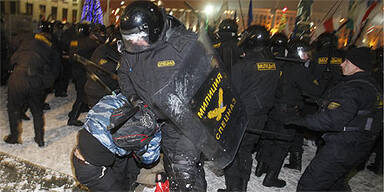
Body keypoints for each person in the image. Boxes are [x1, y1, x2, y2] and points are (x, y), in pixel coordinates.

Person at [117, 1, 210, 191]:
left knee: (185, 170)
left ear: (154, 29)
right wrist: (134, 99)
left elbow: (208, 84)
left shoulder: (184, 45)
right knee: (171, 165)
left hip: (188, 122)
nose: (134, 43)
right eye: (129, 39)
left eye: (138, 37)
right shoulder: (131, 49)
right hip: (160, 120)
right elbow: (124, 75)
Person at [288, 47, 382, 191]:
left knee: (309, 184)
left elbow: (332, 120)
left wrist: (301, 121)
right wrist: (324, 103)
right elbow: (360, 112)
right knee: (335, 182)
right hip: (361, 146)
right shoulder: (374, 87)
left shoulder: (352, 89)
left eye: (346, 61)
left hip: (342, 147)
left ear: (357, 65)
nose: (342, 64)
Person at [255, 39, 327, 187]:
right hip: (288, 111)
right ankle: (271, 177)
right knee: (282, 145)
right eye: (306, 53)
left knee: (269, 139)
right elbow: (314, 90)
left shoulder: (280, 64)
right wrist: (324, 80)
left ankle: (260, 167)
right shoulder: (299, 70)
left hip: (273, 108)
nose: (307, 57)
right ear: (299, 53)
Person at [218, 25, 280, 192]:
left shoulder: (242, 66)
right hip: (261, 117)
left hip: (242, 116)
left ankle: (233, 188)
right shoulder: (274, 64)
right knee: (245, 152)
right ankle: (241, 187)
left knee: (232, 154)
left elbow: (231, 92)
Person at [72, 92, 161, 191]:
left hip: (84, 144)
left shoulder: (124, 97)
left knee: (126, 166)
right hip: (91, 167)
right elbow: (149, 158)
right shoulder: (151, 125)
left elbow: (98, 109)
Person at [5, 21, 61, 147]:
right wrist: (46, 84)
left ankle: (14, 136)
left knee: (13, 108)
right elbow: (56, 69)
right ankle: (39, 138)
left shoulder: (27, 38)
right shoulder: (52, 46)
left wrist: (11, 67)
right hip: (36, 79)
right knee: (37, 111)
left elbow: (12, 49)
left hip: (17, 76)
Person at [67, 23, 100, 126]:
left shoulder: (73, 41)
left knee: (81, 92)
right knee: (81, 94)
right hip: (84, 71)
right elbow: (100, 47)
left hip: (75, 70)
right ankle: (73, 117)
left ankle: (77, 110)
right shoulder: (90, 42)